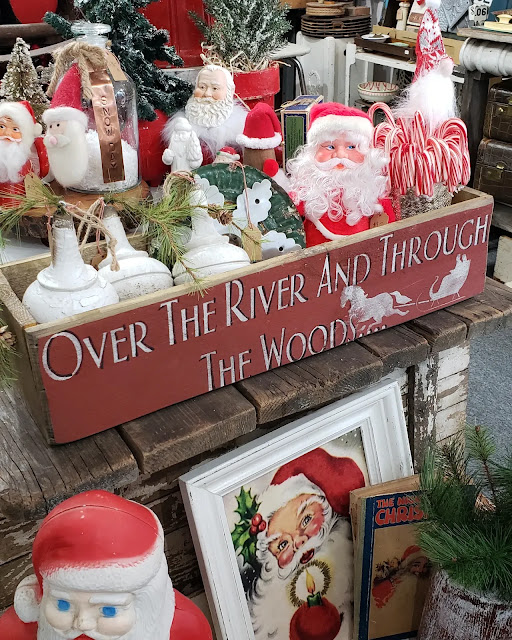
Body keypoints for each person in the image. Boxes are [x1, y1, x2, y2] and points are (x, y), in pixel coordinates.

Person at [0, 490, 212, 640]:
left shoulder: (187, 629)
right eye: (63, 605)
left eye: (108, 610)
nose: (82, 624)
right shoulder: (16, 632)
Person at [242, 449, 365, 640]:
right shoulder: (271, 615)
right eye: (282, 545)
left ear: (327, 510)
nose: (299, 542)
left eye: (306, 520)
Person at [287, 102, 395, 247]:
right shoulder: (308, 188)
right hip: (315, 254)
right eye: (330, 147)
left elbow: (390, 225)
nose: (340, 155)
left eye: (351, 147)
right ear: (313, 152)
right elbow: (285, 214)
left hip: (361, 253)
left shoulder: (371, 187)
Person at [163, 64, 248, 165]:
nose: (207, 94)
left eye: (215, 88)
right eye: (202, 87)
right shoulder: (180, 129)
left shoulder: (238, 131)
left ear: (229, 91)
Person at [0, 100, 48, 206]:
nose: (7, 133)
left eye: (15, 129)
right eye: (2, 126)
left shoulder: (27, 158)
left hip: (22, 202)